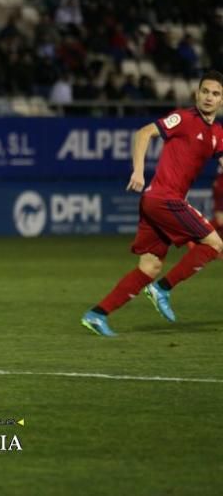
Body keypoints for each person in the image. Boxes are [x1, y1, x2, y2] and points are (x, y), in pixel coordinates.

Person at [81, 70, 223, 337]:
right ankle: (162, 289)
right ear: (197, 94)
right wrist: (138, 171)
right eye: (205, 91)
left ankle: (97, 315)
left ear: (222, 100)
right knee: (215, 244)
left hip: (156, 203)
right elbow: (144, 132)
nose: (209, 97)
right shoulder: (183, 118)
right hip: (163, 198)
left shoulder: (217, 133)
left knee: (150, 267)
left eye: (215, 94)